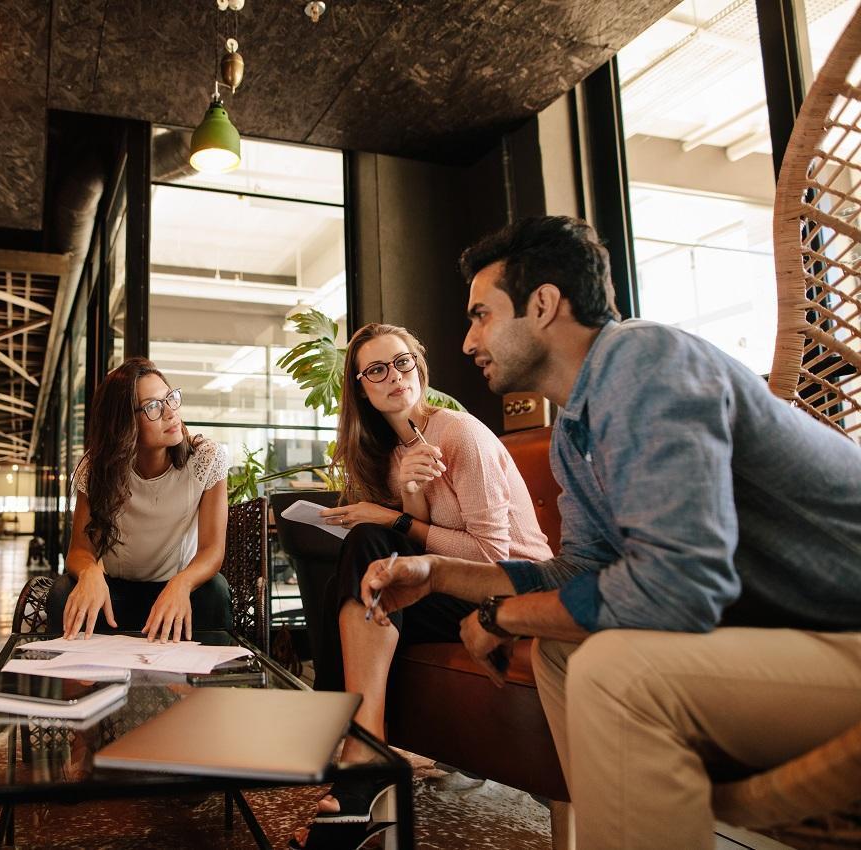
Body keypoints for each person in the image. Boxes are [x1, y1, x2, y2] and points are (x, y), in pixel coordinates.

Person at [361, 216, 861, 849]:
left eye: (481, 315)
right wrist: (439, 575)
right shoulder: (578, 428)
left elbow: (677, 588)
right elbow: (581, 572)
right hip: (793, 641)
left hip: (845, 632)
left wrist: (502, 615)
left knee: (616, 671)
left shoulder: (647, 360)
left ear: (542, 305)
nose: (467, 342)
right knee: (563, 649)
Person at [292, 322, 551, 850]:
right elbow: (419, 547)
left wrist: (393, 522)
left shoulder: (460, 433)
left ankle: (358, 758)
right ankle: (357, 757)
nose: (394, 376)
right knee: (351, 572)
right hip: (446, 585)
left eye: (403, 361)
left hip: (513, 588)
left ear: (420, 366)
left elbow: (491, 557)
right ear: (361, 387)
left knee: (368, 542)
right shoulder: (395, 452)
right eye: (376, 370)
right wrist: (407, 499)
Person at [46, 357, 231, 642]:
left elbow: (212, 550)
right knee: (62, 592)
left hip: (178, 590)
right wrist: (89, 573)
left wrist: (182, 583)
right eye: (153, 406)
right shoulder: (97, 469)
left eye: (170, 398)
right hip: (116, 595)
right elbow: (79, 550)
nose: (170, 412)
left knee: (215, 592)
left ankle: (202, 682)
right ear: (123, 421)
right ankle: (72, 682)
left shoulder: (206, 459)